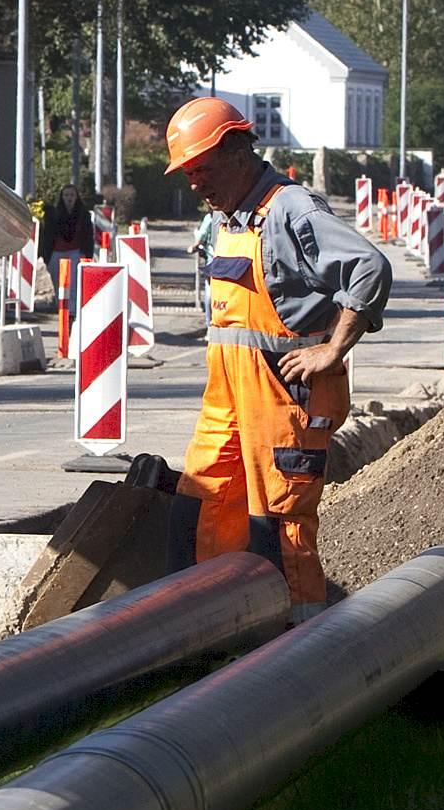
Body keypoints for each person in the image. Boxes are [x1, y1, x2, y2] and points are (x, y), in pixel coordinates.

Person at [164, 95, 391, 606]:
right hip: (229, 400)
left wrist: (333, 350)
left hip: (284, 401)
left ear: (237, 151)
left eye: (201, 169)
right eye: (187, 174)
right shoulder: (231, 217)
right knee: (202, 507)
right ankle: (205, 630)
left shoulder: (289, 208)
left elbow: (369, 268)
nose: (195, 183)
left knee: (279, 526)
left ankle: (297, 648)